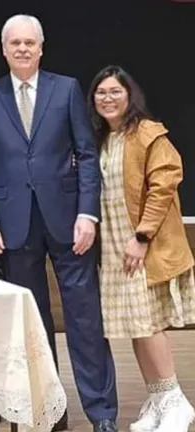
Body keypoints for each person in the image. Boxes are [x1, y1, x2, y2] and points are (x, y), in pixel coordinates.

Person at [0, 14, 118, 432]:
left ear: (41, 48)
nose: (22, 49)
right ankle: (51, 410)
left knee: (85, 320)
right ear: (4, 49)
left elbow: (86, 154)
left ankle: (102, 413)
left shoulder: (65, 89)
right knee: (33, 324)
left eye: (29, 42)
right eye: (15, 43)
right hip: (13, 225)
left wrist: (88, 213)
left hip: (70, 223)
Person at [88, 65, 195, 432]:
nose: (107, 98)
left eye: (115, 91)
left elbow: (166, 181)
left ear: (129, 95)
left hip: (141, 246)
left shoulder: (147, 132)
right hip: (114, 248)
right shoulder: (103, 139)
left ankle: (176, 403)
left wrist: (142, 237)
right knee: (137, 326)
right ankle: (158, 398)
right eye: (101, 92)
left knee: (148, 324)